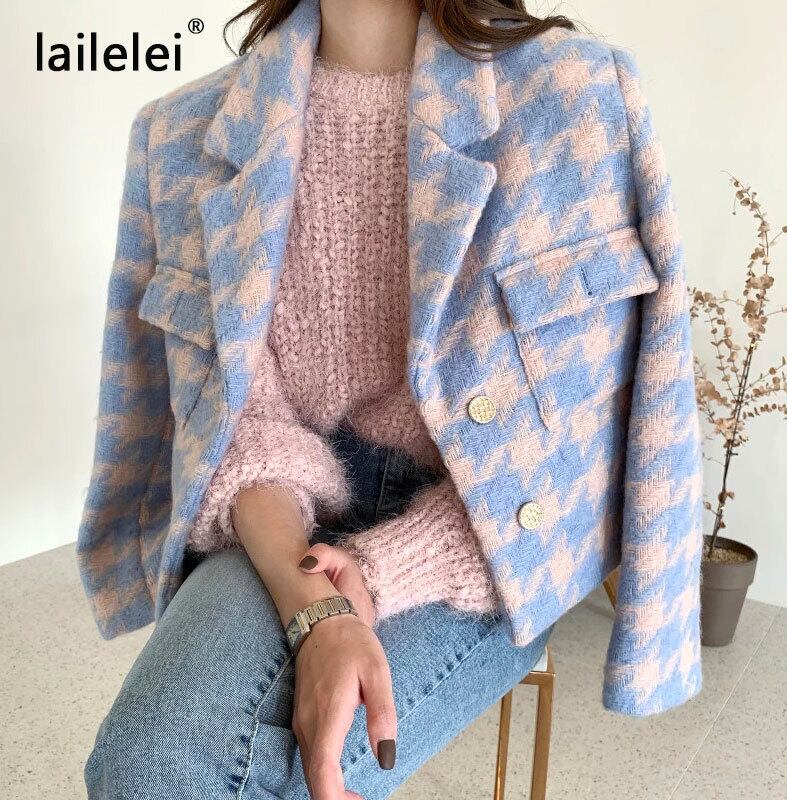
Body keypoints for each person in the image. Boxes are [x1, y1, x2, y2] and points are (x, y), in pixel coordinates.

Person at [78, 1, 704, 798]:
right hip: (276, 519)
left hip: (481, 541)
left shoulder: (575, 96)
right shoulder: (180, 135)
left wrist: (379, 575)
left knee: (282, 776)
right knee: (143, 763)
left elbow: (582, 435)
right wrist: (316, 607)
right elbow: (240, 427)